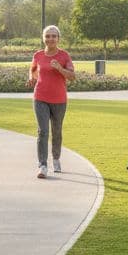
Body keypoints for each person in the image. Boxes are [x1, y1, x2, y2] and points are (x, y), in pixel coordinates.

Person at [29, 24, 75, 179]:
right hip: (40, 97)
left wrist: (60, 69)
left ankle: (56, 158)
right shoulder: (38, 55)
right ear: (44, 39)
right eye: (47, 36)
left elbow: (72, 76)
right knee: (43, 131)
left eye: (53, 36)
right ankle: (42, 165)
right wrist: (31, 78)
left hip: (59, 100)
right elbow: (34, 71)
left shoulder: (64, 56)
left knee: (56, 131)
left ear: (58, 38)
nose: (50, 39)